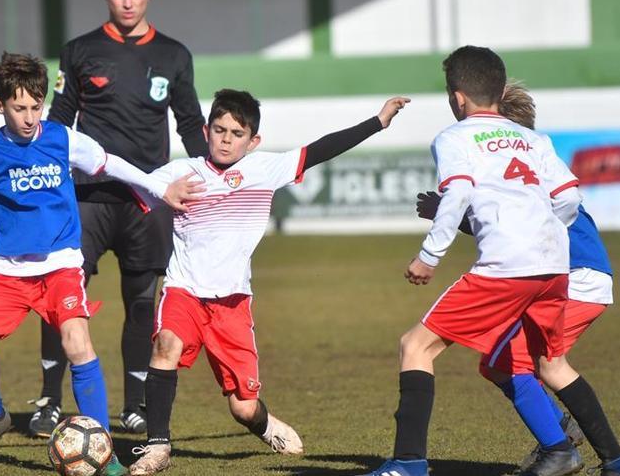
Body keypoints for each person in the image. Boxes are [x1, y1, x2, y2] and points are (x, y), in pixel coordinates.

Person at [0, 52, 200, 473]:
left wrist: (159, 187)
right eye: (19, 107)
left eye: (35, 106)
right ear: (0, 106)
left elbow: (111, 164)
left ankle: (103, 449)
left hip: (61, 265)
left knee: (77, 342)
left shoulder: (63, 139)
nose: (29, 117)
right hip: (8, 270)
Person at [127, 89, 410, 475]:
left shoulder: (265, 170)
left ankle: (265, 424)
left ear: (253, 141)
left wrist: (377, 122)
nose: (226, 139)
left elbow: (322, 149)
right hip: (184, 290)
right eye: (220, 130)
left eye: (237, 133)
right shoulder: (180, 173)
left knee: (243, 408)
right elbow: (127, 186)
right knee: (165, 347)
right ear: (206, 131)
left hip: (233, 303)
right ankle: (158, 447)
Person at [358, 46, 586, 476]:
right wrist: (540, 234)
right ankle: (578, 449)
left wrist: (429, 256)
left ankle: (408, 463)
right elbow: (569, 198)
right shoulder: (534, 139)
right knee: (528, 363)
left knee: (415, 346)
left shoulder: (454, 137)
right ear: (500, 90)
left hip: (507, 268)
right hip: (553, 268)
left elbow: (457, 193)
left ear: (457, 98)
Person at [414, 81, 620, 476]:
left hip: (575, 277)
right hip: (575, 276)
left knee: (514, 363)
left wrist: (445, 223)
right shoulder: (531, 171)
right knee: (519, 364)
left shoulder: (519, 165)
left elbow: (532, 221)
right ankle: (605, 456)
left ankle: (561, 444)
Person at [31, 0, 210, 438]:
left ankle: (136, 404)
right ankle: (50, 401)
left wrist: (211, 179)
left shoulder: (175, 55)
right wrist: (43, 181)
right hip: (87, 199)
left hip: (146, 203)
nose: (127, 3)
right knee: (61, 299)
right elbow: (59, 120)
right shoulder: (79, 51)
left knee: (142, 302)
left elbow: (190, 123)